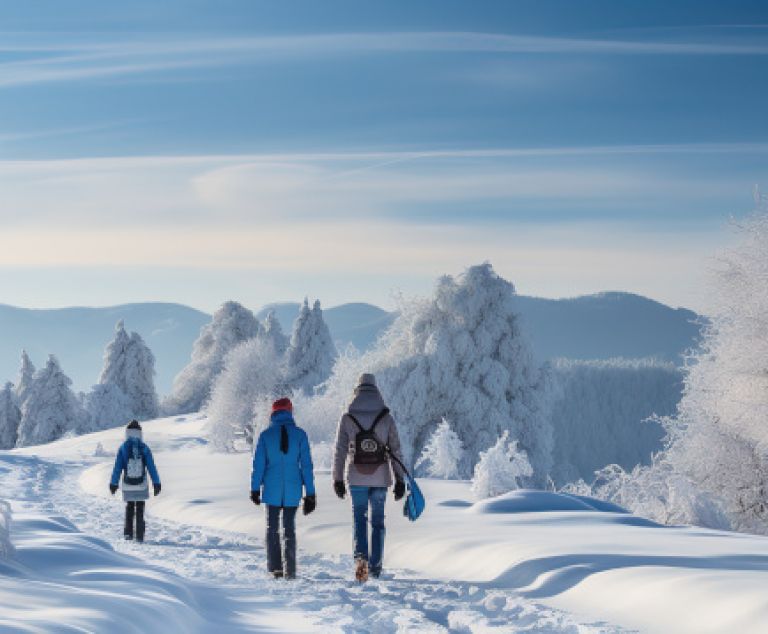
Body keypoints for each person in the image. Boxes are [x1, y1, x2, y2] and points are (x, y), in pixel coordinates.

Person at [332, 373, 406, 582]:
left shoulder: (347, 418)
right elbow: (396, 450)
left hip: (356, 477)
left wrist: (337, 479)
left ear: (357, 391)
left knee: (359, 520)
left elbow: (340, 450)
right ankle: (376, 568)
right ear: (376, 390)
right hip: (380, 478)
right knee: (378, 523)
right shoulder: (386, 418)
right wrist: (400, 479)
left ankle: (361, 568)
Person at [251, 397, 316, 579]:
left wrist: (255, 488)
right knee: (289, 529)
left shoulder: (265, 436)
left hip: (271, 489)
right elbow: (307, 466)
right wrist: (310, 493)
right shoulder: (300, 435)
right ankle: (291, 570)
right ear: (290, 412)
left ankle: (275, 568)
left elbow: (258, 465)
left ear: (273, 413)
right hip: (293, 489)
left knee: (272, 528)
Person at [109, 420, 161, 542]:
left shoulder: (123, 447)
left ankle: (128, 533)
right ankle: (140, 535)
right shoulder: (144, 447)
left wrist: (114, 483)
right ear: (140, 433)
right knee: (140, 507)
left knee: (130, 507)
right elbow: (151, 467)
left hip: (128, 483)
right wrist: (156, 483)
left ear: (127, 432)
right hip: (141, 483)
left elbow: (118, 467)